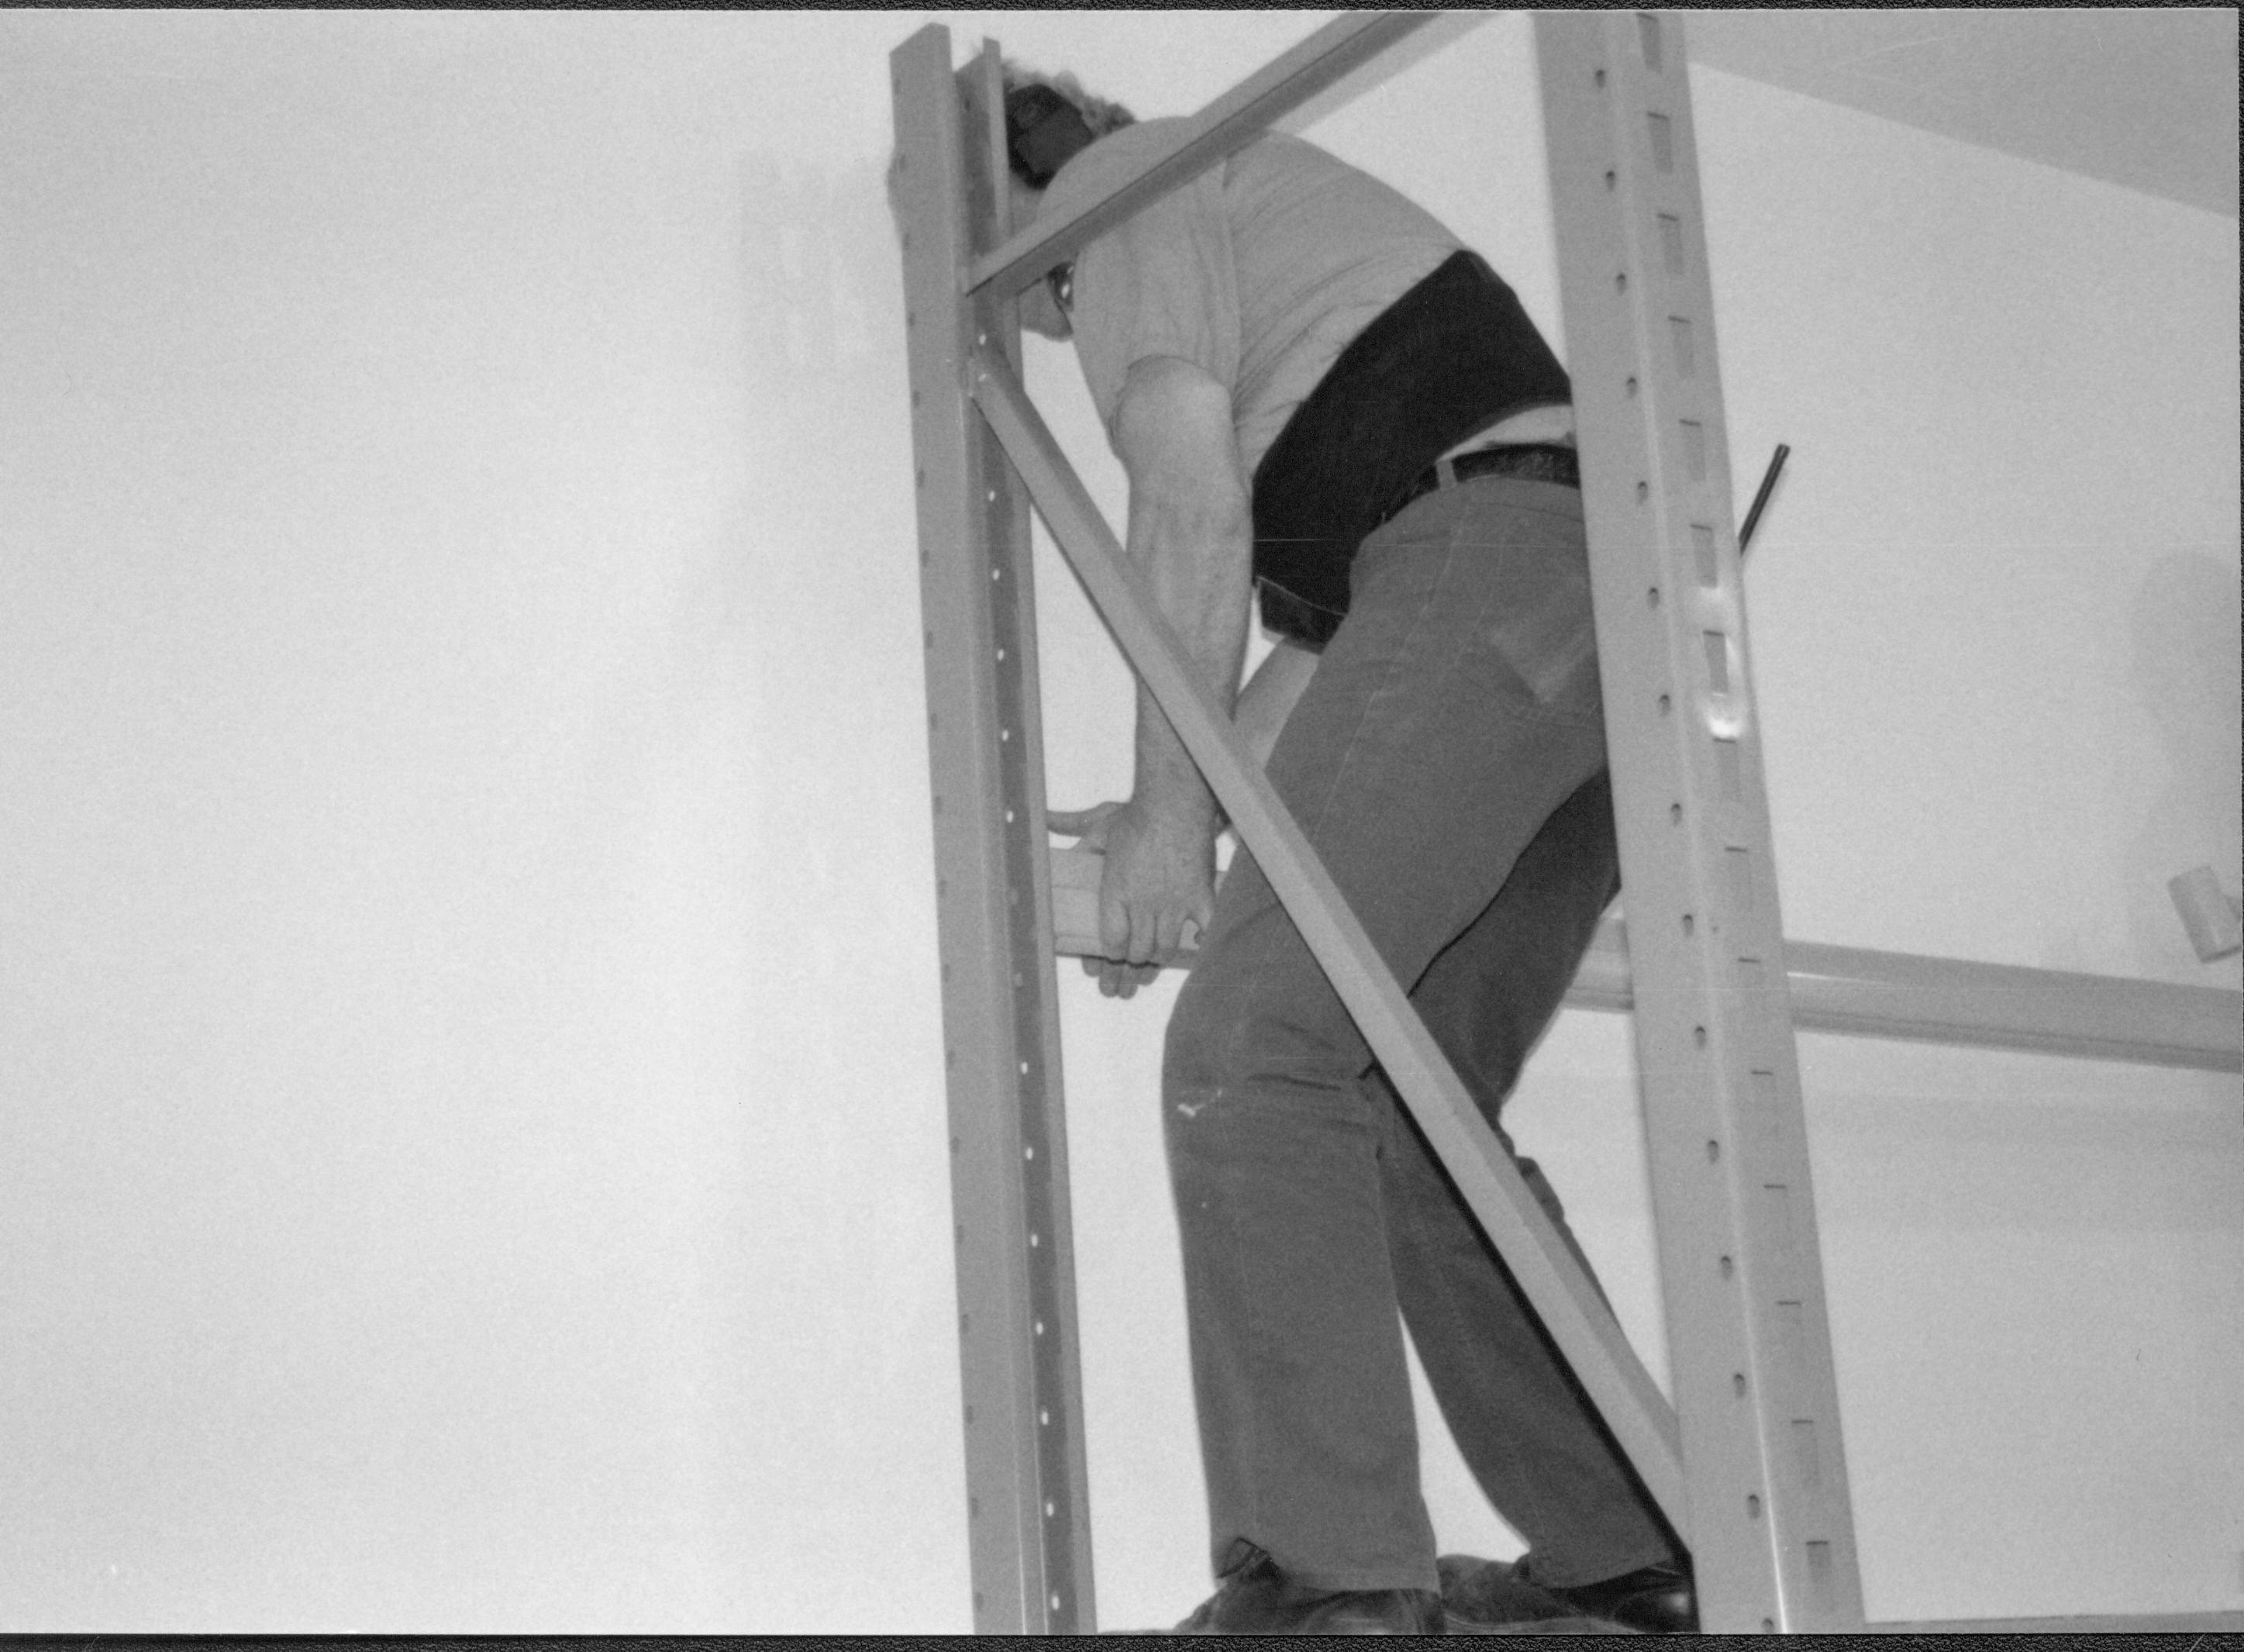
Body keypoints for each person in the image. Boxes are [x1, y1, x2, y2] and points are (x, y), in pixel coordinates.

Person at [999, 67, 1697, 1635]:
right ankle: (1632, 1556)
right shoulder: (1300, 301)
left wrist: (1176, 828)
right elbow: (1322, 661)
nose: (1045, 324)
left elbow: (1184, 515)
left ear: (1025, 197)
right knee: (1402, 1105)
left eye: (1027, 292)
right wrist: (1156, 816)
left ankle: (1329, 1579)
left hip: (1487, 571)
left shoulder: (1116, 192)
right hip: (1581, 629)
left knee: (1252, 1051)